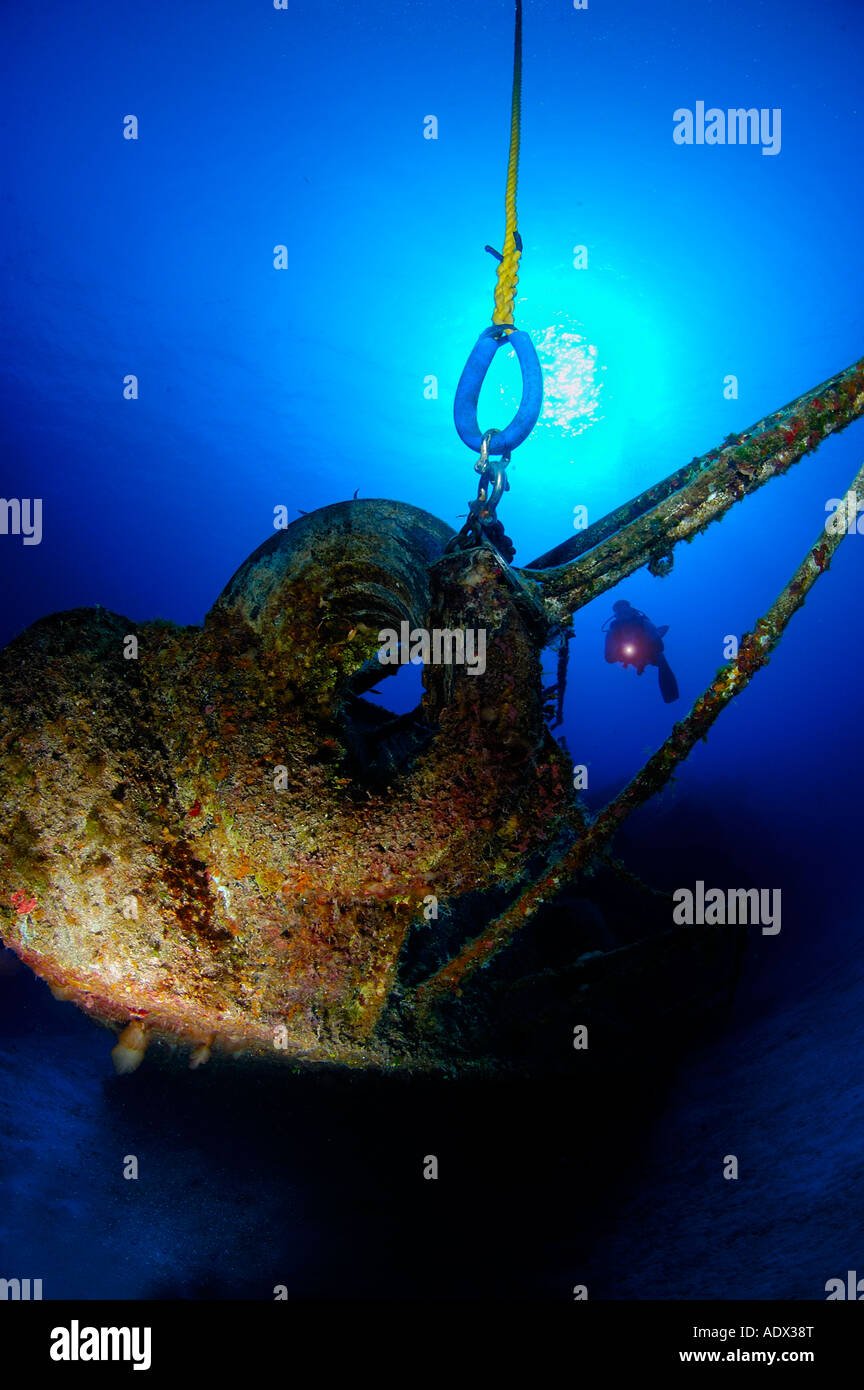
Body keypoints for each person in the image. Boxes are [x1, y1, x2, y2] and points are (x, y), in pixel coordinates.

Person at [603, 599, 679, 703]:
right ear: (616, 616)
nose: (624, 616)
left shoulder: (644, 623)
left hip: (649, 654)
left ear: (631, 610)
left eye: (625, 612)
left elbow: (660, 646)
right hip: (630, 658)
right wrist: (621, 653)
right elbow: (609, 658)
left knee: (662, 660)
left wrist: (646, 647)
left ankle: (671, 696)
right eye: (620, 613)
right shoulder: (613, 631)